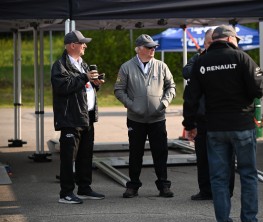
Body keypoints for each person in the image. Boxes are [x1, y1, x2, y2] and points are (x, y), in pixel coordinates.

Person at [182, 25, 263, 222]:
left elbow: (190, 97)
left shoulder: (201, 62)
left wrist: (189, 124)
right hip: (242, 125)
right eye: (236, 39)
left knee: (218, 177)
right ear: (229, 39)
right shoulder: (242, 58)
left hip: (215, 127)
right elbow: (258, 89)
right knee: (247, 174)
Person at [114, 34, 176, 198]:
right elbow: (118, 90)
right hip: (136, 119)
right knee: (135, 153)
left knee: (160, 152)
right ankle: (133, 186)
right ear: (139, 49)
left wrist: (163, 104)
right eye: (149, 47)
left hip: (158, 118)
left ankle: (164, 186)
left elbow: (171, 87)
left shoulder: (161, 66)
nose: (153, 49)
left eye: (154, 47)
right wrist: (132, 105)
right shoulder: (126, 67)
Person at [51, 30, 105, 204]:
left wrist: (95, 84)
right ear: (72, 45)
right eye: (82, 43)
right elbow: (63, 87)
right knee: (68, 158)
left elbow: (84, 87)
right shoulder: (60, 65)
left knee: (85, 155)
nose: (85, 46)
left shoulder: (83, 64)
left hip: (86, 116)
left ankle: (84, 188)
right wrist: (84, 77)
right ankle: (66, 193)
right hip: (70, 118)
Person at [183, 28, 236, 201]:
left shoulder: (233, 57)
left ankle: (226, 192)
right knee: (203, 157)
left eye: (213, 43)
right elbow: (186, 72)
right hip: (203, 118)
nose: (212, 46)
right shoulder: (198, 59)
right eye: (208, 43)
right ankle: (205, 191)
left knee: (226, 158)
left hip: (224, 118)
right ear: (205, 44)